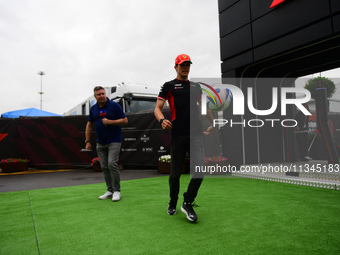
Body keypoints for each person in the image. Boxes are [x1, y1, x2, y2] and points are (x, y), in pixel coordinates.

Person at [154, 54, 214, 222]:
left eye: (187, 64)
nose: (185, 67)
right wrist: (162, 120)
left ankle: (187, 202)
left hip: (195, 134)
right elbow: (157, 108)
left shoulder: (196, 87)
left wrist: (214, 123)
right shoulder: (169, 86)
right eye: (182, 65)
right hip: (178, 135)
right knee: (175, 174)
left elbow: (204, 107)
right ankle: (173, 201)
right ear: (176, 67)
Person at [85, 86, 128, 201]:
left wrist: (110, 122)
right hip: (100, 142)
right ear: (95, 96)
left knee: (111, 164)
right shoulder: (93, 108)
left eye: (103, 93)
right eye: (99, 94)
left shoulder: (114, 105)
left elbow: (125, 120)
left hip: (114, 140)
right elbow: (89, 125)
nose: (102, 96)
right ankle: (110, 190)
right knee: (104, 167)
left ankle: (117, 191)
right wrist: (87, 141)